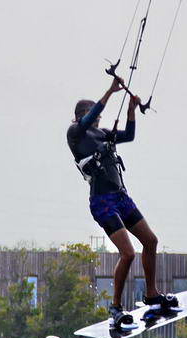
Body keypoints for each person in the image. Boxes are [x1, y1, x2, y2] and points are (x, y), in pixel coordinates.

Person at [67, 75, 174, 324]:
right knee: (128, 253)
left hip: (121, 197)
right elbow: (92, 115)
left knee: (151, 241)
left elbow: (129, 135)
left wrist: (131, 110)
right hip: (102, 202)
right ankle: (115, 307)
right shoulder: (75, 133)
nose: (99, 119)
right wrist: (110, 91)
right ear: (83, 115)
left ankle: (151, 294)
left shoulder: (102, 134)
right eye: (94, 115)